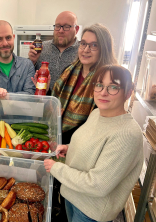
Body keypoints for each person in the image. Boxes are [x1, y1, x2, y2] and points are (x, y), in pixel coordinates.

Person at [44, 65, 143, 222]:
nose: (103, 92)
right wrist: (70, 149)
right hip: (72, 195)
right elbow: (94, 146)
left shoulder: (127, 134)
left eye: (113, 87)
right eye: (99, 85)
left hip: (90, 212)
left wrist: (56, 168)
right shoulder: (97, 113)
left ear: (128, 93)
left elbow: (97, 185)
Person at [48, 23, 118, 221]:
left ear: (103, 48)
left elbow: (103, 125)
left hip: (87, 153)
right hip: (65, 143)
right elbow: (55, 102)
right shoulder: (71, 69)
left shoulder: (108, 78)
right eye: (84, 44)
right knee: (65, 195)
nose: (86, 50)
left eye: (93, 45)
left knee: (80, 200)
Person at [29, 11, 80, 95]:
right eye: (58, 26)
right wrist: (32, 61)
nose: (60, 30)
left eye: (66, 27)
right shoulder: (42, 47)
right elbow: (28, 78)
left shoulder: (82, 52)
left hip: (70, 105)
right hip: (42, 103)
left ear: (76, 29)